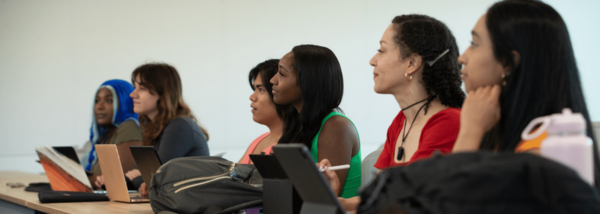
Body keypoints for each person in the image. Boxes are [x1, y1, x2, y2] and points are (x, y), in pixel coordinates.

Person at [320, 14, 465, 212]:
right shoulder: (401, 122)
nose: (373, 60)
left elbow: (405, 204)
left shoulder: (448, 123)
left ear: (412, 63)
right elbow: (381, 196)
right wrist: (336, 200)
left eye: (381, 50)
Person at [452, 0, 599, 186]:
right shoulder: (498, 128)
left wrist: (470, 132)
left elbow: (447, 203)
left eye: (474, 44)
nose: (461, 57)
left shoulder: (544, 153)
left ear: (508, 63)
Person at [95, 63, 211, 196]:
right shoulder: (155, 128)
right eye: (135, 88)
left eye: (142, 88)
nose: (133, 94)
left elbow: (152, 182)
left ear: (162, 93)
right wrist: (115, 181)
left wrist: (137, 177)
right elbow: (142, 176)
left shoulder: (179, 126)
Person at [270, 44, 362, 198]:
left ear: (307, 82)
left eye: (282, 74)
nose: (273, 80)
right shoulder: (296, 122)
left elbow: (323, 201)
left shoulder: (336, 127)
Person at [83, 79, 142, 186]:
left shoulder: (130, 126)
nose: (100, 107)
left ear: (125, 102)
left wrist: (76, 178)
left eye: (109, 101)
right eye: (97, 100)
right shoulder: (105, 135)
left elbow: (117, 177)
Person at [238, 59, 286, 164]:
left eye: (261, 90)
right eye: (254, 89)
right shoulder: (259, 140)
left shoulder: (290, 146)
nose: (252, 97)